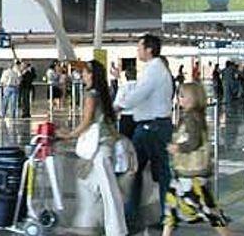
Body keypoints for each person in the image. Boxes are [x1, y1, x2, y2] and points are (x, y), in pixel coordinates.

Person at [58, 60, 127, 236]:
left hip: (99, 147)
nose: (82, 75)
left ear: (92, 75)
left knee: (108, 190)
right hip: (104, 143)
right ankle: (87, 222)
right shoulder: (103, 93)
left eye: (85, 72)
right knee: (90, 184)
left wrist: (70, 134)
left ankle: (116, 230)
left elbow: (88, 121)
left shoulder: (91, 95)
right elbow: (108, 120)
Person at [117, 34, 174, 229]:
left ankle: (131, 212)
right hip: (156, 126)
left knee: (135, 169)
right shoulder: (156, 69)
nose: (137, 51)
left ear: (149, 49)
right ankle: (159, 215)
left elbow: (139, 94)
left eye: (139, 47)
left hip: (151, 128)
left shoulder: (154, 70)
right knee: (152, 171)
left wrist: (119, 106)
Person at [162, 82, 230, 236]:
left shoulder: (191, 118)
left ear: (193, 98)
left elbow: (194, 141)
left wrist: (178, 148)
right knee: (171, 208)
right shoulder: (196, 117)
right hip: (186, 174)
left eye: (182, 96)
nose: (179, 99)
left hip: (192, 176)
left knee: (208, 210)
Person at [113, 67, 138, 139]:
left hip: (126, 117)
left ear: (126, 76)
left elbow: (117, 104)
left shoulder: (123, 87)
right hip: (138, 117)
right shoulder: (141, 86)